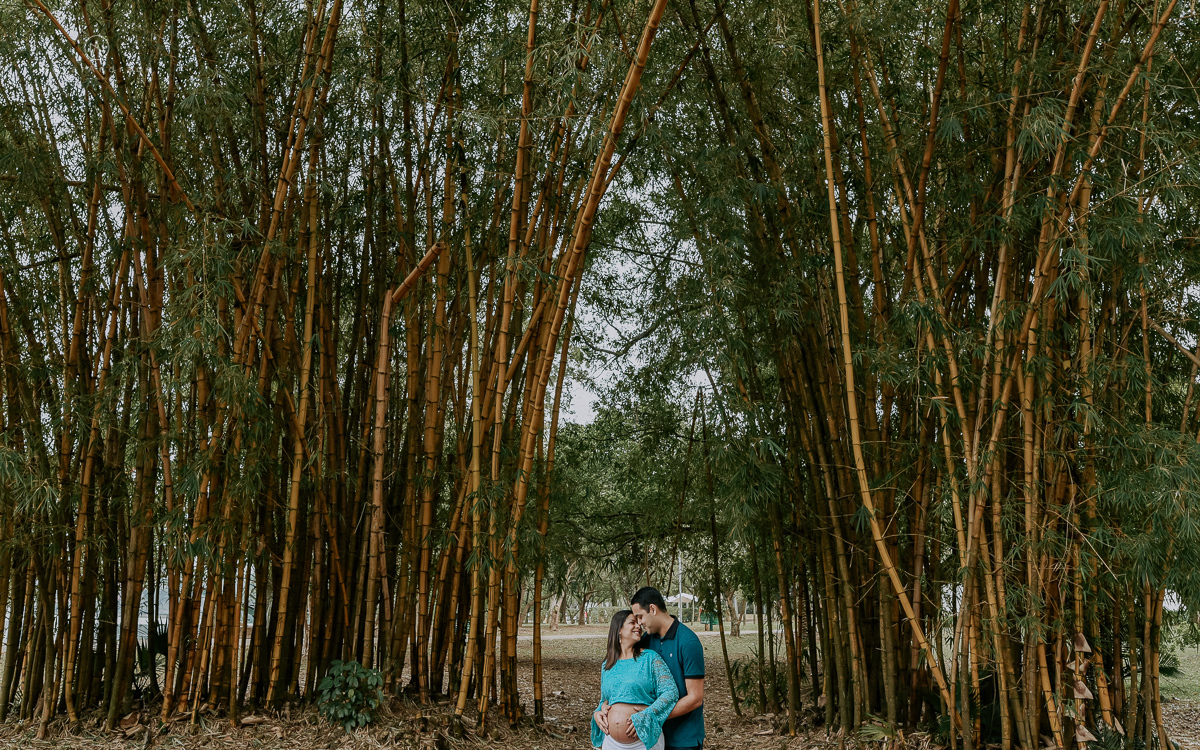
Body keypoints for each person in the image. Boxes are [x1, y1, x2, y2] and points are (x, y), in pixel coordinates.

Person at [597, 587, 706, 750]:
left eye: (640, 617)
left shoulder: (688, 642)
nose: (639, 623)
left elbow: (695, 698)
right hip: (648, 734)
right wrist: (602, 709)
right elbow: (622, 680)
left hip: (683, 737)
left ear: (653, 609)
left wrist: (651, 715)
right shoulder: (645, 640)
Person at [591, 610, 679, 750]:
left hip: (643, 742)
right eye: (632, 622)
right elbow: (605, 700)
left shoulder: (650, 658)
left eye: (638, 623)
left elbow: (670, 692)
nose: (638, 626)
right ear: (619, 630)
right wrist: (597, 713)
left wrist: (648, 713)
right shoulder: (607, 664)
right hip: (611, 742)